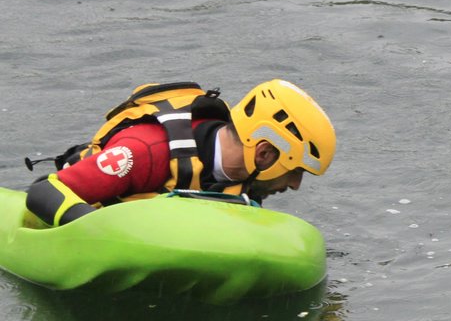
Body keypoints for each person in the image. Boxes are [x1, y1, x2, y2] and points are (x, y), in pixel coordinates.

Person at [23, 80, 336, 226]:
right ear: (265, 153)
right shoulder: (144, 151)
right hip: (93, 208)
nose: (295, 185)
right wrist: (97, 230)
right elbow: (43, 191)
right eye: (296, 171)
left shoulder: (246, 180)